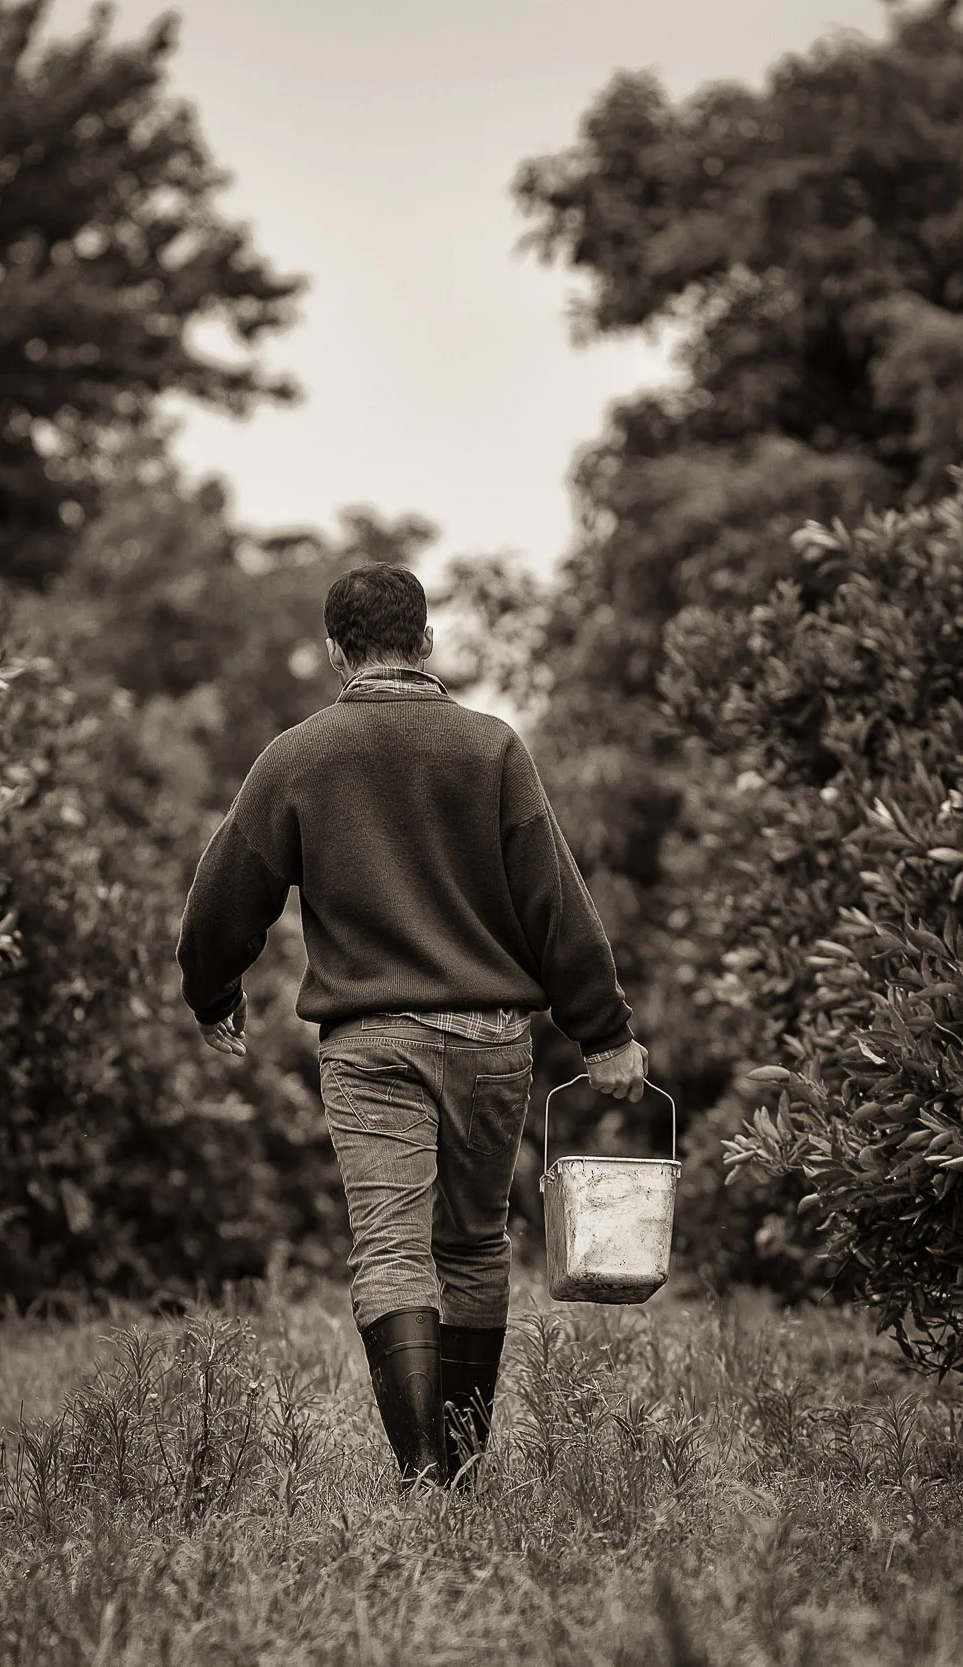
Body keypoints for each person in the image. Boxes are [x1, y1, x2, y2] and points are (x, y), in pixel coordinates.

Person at [177, 563, 648, 1488]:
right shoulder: (491, 749)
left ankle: (423, 1475)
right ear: (426, 641)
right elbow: (555, 898)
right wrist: (605, 1032)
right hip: (490, 1041)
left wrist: (212, 991)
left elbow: (223, 895)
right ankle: (462, 1473)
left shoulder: (299, 754)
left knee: (391, 1245)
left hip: (371, 1046)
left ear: (333, 650)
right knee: (472, 1242)